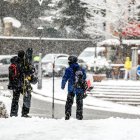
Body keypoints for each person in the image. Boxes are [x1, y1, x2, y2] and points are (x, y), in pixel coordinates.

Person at [8, 49, 38, 117]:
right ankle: (24, 113)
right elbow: (31, 71)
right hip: (22, 84)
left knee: (15, 99)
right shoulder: (24, 63)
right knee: (27, 96)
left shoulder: (14, 62)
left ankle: (13, 114)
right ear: (24, 55)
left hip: (15, 84)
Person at [61, 55, 87, 120]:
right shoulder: (81, 69)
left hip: (71, 89)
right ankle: (79, 116)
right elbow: (85, 77)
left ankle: (67, 114)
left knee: (69, 103)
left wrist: (63, 85)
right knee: (79, 103)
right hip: (80, 89)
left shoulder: (68, 69)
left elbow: (65, 78)